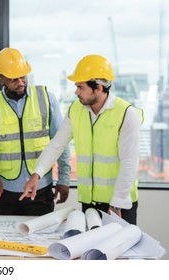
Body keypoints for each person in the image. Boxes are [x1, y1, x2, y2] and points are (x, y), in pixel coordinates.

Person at [22, 54, 143, 225]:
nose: (76, 91)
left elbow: (129, 163)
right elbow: (57, 144)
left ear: (99, 88)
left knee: (119, 251)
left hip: (119, 204)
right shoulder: (77, 109)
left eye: (80, 87)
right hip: (89, 203)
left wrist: (117, 204)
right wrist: (37, 174)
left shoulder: (126, 114)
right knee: (90, 251)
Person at [0, 47, 71, 216]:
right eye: (14, 79)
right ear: (1, 79)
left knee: (41, 239)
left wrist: (64, 179)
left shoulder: (46, 98)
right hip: (5, 191)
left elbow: (61, 141)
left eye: (23, 76)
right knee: (5, 239)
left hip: (41, 188)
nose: (20, 82)